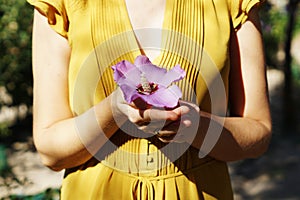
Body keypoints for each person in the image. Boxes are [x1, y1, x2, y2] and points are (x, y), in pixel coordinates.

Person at [27, 0, 272, 199]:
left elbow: (258, 132)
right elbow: (51, 150)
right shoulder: (62, 4)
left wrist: (194, 126)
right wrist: (114, 111)